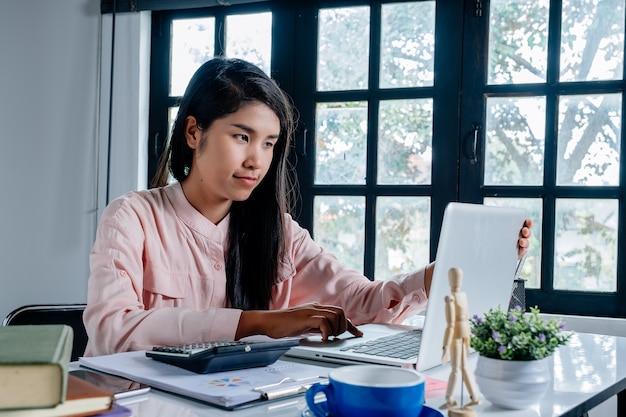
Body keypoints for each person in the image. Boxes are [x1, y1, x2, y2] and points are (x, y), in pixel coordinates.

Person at [83, 57, 532, 356]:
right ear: (194, 132)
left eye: (270, 143)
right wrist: (262, 323)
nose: (257, 159)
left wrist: (444, 271)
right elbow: (113, 331)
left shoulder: (276, 230)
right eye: (242, 136)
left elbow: (361, 301)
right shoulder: (133, 217)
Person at [440, 267, 480, 415]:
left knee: (456, 369)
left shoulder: (450, 298)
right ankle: (474, 396)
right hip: (464, 332)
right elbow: (467, 318)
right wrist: (468, 339)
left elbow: (450, 325)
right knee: (463, 368)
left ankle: (450, 398)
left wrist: (445, 347)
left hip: (456, 334)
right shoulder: (463, 295)